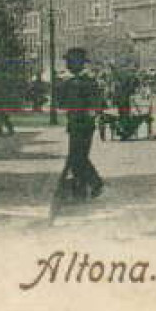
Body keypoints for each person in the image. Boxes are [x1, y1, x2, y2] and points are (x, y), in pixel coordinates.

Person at [54, 47, 105, 200]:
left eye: (70, 62)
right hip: (79, 124)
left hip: (82, 124)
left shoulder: (81, 82)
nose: (68, 65)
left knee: (77, 157)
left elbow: (62, 103)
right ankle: (83, 189)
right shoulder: (82, 81)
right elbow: (62, 103)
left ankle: (93, 184)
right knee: (78, 157)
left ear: (77, 63)